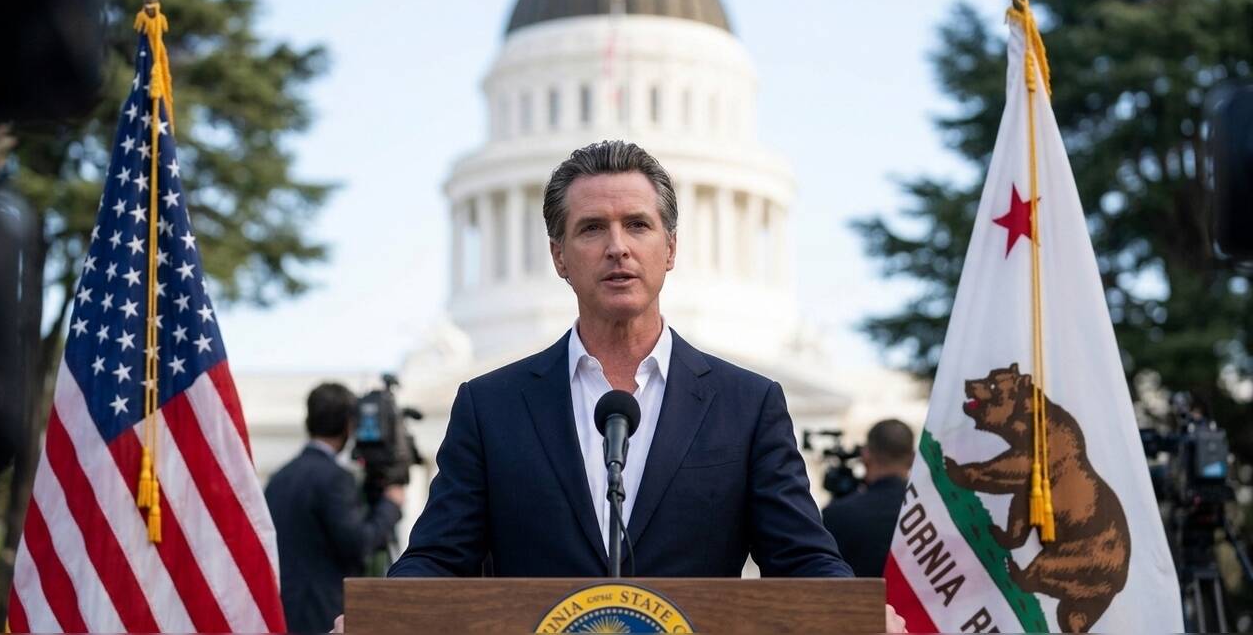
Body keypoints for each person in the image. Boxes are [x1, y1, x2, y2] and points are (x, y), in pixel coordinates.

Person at [376, 141, 903, 632]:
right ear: (559, 256)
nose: (617, 247)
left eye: (637, 225)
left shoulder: (746, 405)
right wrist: (379, 616)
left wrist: (854, 614)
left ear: (669, 248)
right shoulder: (491, 406)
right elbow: (439, 557)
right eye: (592, 229)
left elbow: (801, 558)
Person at [265, 382, 405, 634]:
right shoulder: (335, 478)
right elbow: (358, 544)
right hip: (323, 615)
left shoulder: (279, 477)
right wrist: (390, 505)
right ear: (348, 424)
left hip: (282, 612)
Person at [820, 419, 915, 578]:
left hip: (854, 594)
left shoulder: (836, 515)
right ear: (912, 458)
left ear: (866, 455)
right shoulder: (930, 515)